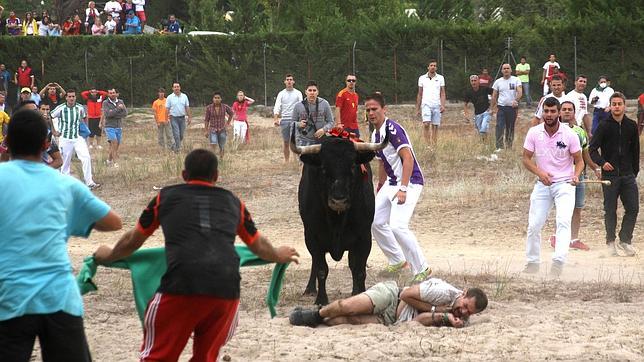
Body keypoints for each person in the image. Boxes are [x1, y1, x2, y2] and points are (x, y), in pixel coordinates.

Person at [93, 148, 299, 361]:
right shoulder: (233, 202)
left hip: (180, 286)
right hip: (226, 291)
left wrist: (108, 255)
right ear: (216, 177)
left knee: (156, 357)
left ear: (184, 175)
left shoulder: (165, 198)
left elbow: (132, 240)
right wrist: (277, 254)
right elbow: (258, 245)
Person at [0, 109, 122, 361]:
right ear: (46, 143)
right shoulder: (66, 185)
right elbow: (113, 222)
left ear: (7, 142)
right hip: (59, 297)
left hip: (9, 297)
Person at [368, 92, 430, 282]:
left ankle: (422, 267)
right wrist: (380, 186)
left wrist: (403, 189)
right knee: (375, 221)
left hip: (409, 182)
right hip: (390, 183)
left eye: (374, 109)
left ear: (384, 110)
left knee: (397, 226)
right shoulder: (375, 134)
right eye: (368, 110)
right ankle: (397, 260)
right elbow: (381, 162)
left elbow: (408, 158)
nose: (371, 113)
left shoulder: (392, 130)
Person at [522, 97, 583, 276]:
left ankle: (558, 262)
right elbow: (526, 158)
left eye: (552, 111)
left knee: (563, 221)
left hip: (565, 184)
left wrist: (576, 175)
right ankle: (532, 262)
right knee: (534, 225)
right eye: (546, 111)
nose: (549, 115)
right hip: (543, 185)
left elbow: (579, 161)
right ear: (542, 112)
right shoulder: (534, 132)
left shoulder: (569, 134)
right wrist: (540, 173)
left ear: (558, 113)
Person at [289, 278, 487, 328]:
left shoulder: (459, 319)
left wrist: (445, 317)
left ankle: (321, 319)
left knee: (343, 321)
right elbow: (406, 295)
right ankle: (316, 313)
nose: (462, 311)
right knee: (347, 307)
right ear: (464, 293)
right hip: (392, 295)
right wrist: (437, 309)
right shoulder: (443, 292)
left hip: (392, 320)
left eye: (468, 312)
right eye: (465, 305)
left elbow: (418, 321)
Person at [589, 92, 639, 257]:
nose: (617, 107)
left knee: (633, 208)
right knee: (610, 209)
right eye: (614, 104)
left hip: (627, 174)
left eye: (619, 104)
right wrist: (602, 163)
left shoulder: (632, 125)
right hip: (609, 176)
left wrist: (634, 171)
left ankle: (625, 240)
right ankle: (610, 243)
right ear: (610, 106)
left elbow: (635, 151)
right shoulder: (604, 125)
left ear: (624, 106)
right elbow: (592, 149)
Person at [549, 101, 600, 251]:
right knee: (562, 208)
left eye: (569, 110)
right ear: (559, 112)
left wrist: (595, 168)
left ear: (574, 112)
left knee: (577, 207)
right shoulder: (553, 131)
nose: (566, 112)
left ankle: (573, 239)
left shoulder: (580, 132)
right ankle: (556, 237)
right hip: (561, 177)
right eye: (563, 109)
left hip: (579, 176)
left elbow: (585, 155)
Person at [51, 89, 101, 189]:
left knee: (86, 157)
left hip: (77, 137)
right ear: (66, 98)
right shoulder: (61, 108)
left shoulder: (79, 107)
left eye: (73, 96)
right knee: (65, 161)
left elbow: (84, 116)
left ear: (75, 97)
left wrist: (85, 129)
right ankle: (66, 183)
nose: (71, 98)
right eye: (69, 96)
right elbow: (50, 116)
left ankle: (89, 182)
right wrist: (54, 131)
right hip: (65, 138)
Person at [491, 63, 522, 151]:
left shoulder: (516, 80)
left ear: (511, 70)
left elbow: (520, 92)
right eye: (504, 68)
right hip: (501, 108)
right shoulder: (498, 81)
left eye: (508, 68)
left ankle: (509, 147)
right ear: (501, 71)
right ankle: (499, 147)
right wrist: (492, 108)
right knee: (499, 126)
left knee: (510, 128)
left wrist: (516, 100)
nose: (506, 70)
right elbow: (494, 95)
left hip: (512, 108)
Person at [292, 80, 334, 146]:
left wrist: (323, 130)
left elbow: (331, 122)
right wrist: (298, 124)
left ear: (318, 92)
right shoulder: (298, 106)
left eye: (314, 90)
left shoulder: (325, 103)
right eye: (310, 90)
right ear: (306, 92)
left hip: (321, 140)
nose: (312, 93)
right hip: (303, 141)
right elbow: (291, 124)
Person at [415, 59, 446, 147]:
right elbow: (420, 94)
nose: (433, 67)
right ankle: (428, 145)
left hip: (437, 104)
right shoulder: (422, 78)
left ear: (436, 67)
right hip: (426, 105)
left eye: (434, 66)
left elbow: (442, 93)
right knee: (426, 124)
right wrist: (417, 108)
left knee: (435, 126)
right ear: (428, 67)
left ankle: (434, 145)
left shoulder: (440, 78)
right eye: (431, 65)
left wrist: (443, 105)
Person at [273, 74, 303, 162]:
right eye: (287, 80)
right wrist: (276, 118)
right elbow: (277, 106)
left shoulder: (298, 93)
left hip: (295, 120)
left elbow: (301, 106)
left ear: (293, 82)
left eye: (291, 79)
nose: (289, 81)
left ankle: (297, 160)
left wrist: (302, 119)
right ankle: (286, 161)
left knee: (295, 141)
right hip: (285, 120)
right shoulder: (281, 94)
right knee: (286, 142)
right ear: (285, 82)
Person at [101, 89, 127, 167]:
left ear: (116, 94)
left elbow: (125, 113)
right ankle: (115, 163)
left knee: (115, 146)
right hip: (109, 126)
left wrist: (114, 113)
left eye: (113, 93)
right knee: (114, 143)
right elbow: (107, 114)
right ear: (108, 94)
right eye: (110, 93)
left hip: (118, 126)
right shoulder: (105, 103)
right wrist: (118, 109)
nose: (112, 94)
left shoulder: (120, 102)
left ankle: (108, 160)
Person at [203, 92, 233, 158]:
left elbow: (231, 113)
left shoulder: (225, 107)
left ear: (221, 99)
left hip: (222, 129)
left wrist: (228, 123)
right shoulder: (209, 108)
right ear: (213, 99)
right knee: (213, 144)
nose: (217, 99)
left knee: (222, 146)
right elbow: (206, 120)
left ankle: (221, 159)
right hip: (212, 129)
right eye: (215, 98)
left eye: (218, 98)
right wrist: (206, 130)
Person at [463, 75, 493, 139]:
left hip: (486, 112)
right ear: (470, 82)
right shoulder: (469, 92)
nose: (474, 82)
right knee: (480, 131)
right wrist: (466, 115)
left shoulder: (484, 88)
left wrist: (493, 107)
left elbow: (495, 94)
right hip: (477, 114)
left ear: (478, 81)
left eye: (475, 80)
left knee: (483, 128)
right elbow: (465, 104)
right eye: (472, 81)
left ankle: (486, 143)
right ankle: (485, 143)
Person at [166, 82, 192, 151]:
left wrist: (189, 117)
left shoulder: (184, 96)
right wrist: (166, 118)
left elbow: (187, 107)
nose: (176, 88)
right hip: (173, 118)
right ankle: (177, 149)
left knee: (181, 135)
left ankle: (174, 146)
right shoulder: (169, 97)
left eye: (178, 87)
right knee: (176, 134)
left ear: (180, 88)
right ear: (172, 88)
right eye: (175, 87)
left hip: (182, 118)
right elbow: (167, 108)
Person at [39, 102, 63, 169]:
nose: (45, 112)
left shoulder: (49, 120)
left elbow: (59, 161)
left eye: (47, 109)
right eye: (43, 109)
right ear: (38, 110)